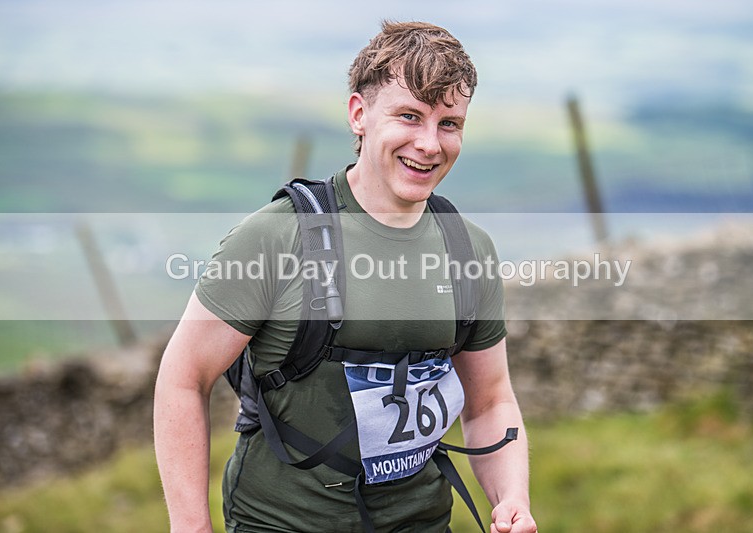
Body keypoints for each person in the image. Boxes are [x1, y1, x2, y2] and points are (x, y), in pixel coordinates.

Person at [154, 20, 538, 533]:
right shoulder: (275, 237)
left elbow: (490, 400)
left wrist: (512, 498)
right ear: (359, 115)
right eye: (410, 116)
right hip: (281, 522)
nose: (429, 143)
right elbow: (182, 378)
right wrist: (190, 528)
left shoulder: (469, 249)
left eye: (449, 123)